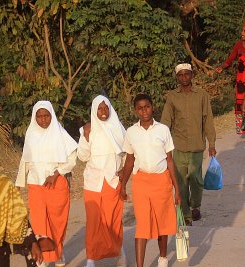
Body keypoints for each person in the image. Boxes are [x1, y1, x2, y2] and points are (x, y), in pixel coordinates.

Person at [120, 93, 181, 267]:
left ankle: (162, 258)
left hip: (162, 181)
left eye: (147, 106)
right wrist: (123, 185)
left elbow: (169, 159)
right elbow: (129, 161)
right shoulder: (131, 132)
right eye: (140, 108)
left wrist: (177, 189)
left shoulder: (163, 130)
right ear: (135, 111)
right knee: (143, 225)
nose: (144, 111)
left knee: (162, 220)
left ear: (152, 107)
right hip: (141, 183)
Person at [16, 100, 78, 267]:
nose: (43, 120)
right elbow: (25, 160)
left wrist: (56, 173)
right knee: (38, 222)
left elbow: (73, 158)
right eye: (40, 116)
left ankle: (58, 252)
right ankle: (41, 259)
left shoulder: (60, 133)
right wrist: (18, 184)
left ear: (52, 115)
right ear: (34, 117)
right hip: (36, 185)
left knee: (57, 223)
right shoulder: (31, 134)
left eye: (46, 116)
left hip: (57, 184)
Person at [161, 63, 217, 226]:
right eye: (181, 75)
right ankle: (186, 214)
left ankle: (196, 205)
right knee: (181, 181)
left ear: (192, 75)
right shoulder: (172, 97)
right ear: (177, 77)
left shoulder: (202, 95)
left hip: (197, 145)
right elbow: (166, 121)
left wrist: (211, 143)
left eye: (187, 74)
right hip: (178, 145)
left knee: (196, 179)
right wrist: (161, 144)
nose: (184, 78)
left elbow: (208, 120)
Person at [77, 95, 127, 267]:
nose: (103, 111)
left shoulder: (119, 128)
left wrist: (123, 170)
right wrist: (85, 136)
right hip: (93, 182)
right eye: (100, 108)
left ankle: (119, 252)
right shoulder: (88, 129)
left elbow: (128, 152)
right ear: (94, 110)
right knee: (93, 221)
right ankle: (91, 257)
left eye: (106, 108)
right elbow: (82, 157)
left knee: (113, 219)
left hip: (113, 181)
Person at [216, 21, 245, 142]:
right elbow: (230, 59)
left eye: (244, 31)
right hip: (242, 82)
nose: (241, 33)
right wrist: (222, 67)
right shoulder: (238, 45)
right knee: (243, 106)